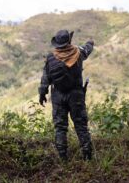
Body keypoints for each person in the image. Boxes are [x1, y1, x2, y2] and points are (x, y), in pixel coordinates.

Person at [38, 30, 94, 161]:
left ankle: (63, 158)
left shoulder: (51, 57)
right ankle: (87, 157)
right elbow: (88, 49)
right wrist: (90, 42)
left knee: (60, 128)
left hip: (58, 95)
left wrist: (42, 93)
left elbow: (45, 77)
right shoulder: (78, 52)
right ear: (69, 41)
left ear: (57, 43)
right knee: (81, 125)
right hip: (76, 95)